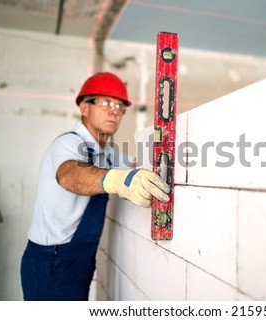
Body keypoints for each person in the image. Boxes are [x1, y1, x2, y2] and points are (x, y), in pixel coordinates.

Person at [20, 72, 170, 301]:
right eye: (106, 102)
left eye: (120, 107)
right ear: (84, 107)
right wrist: (120, 181)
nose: (114, 111)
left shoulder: (107, 156)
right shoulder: (67, 143)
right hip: (51, 263)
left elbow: (139, 166)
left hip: (80, 262)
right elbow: (70, 175)